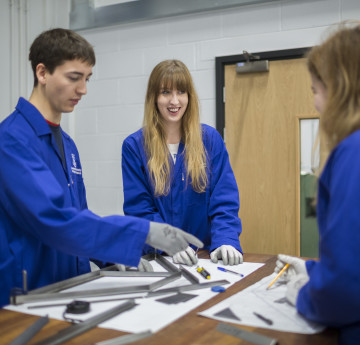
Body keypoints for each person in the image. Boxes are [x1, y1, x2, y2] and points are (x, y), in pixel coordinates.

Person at [0, 29, 203, 307]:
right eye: (74, 78)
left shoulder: (66, 144)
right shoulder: (11, 140)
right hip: (28, 293)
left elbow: (79, 215)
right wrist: (140, 233)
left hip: (70, 288)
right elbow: (55, 220)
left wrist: (112, 258)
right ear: (43, 73)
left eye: (87, 79)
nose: (83, 89)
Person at [274, 23, 360, 345]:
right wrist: (314, 270)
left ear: (339, 87)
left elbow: (347, 287)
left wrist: (307, 294)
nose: (315, 105)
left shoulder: (353, 152)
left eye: (315, 91)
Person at [122, 59, 242, 267]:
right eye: (165, 92)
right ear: (153, 97)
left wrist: (226, 240)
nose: (174, 101)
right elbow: (140, 209)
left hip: (205, 258)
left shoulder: (210, 140)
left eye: (181, 92)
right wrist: (170, 243)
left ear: (190, 97)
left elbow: (224, 200)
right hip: (158, 259)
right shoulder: (134, 147)